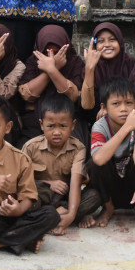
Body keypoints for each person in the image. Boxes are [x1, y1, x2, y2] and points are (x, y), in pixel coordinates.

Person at [0, 96, 61, 255]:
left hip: (14, 216)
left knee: (50, 214)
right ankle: (22, 238)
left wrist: (18, 209)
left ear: (7, 127)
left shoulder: (21, 159)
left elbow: (28, 196)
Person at [23, 94, 102, 234]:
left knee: (94, 197)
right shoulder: (31, 147)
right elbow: (21, 180)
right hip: (41, 195)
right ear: (41, 125)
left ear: (73, 125)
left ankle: (52, 217)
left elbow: (76, 183)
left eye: (63, 126)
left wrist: (71, 214)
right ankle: (55, 216)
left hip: (65, 198)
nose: (57, 132)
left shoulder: (78, 148)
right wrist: (49, 183)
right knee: (29, 196)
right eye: (51, 126)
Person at [88, 77, 135, 230]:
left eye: (129, 103)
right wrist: (126, 128)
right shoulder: (100, 126)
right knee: (93, 164)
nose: (123, 108)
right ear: (104, 107)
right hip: (111, 184)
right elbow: (98, 159)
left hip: (133, 182)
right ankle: (108, 207)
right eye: (116, 104)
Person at [17, 25, 85, 141]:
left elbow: (73, 96)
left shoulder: (75, 62)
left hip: (68, 116)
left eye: (57, 52)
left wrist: (53, 70)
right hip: (37, 116)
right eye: (47, 53)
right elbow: (27, 95)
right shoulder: (33, 61)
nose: (51, 58)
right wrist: (50, 70)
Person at [81, 22, 135, 112]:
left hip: (128, 112)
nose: (107, 45)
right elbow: (87, 105)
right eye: (101, 41)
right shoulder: (92, 65)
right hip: (96, 116)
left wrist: (110, 110)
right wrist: (90, 69)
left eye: (112, 40)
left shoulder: (132, 63)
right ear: (95, 45)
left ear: (120, 42)